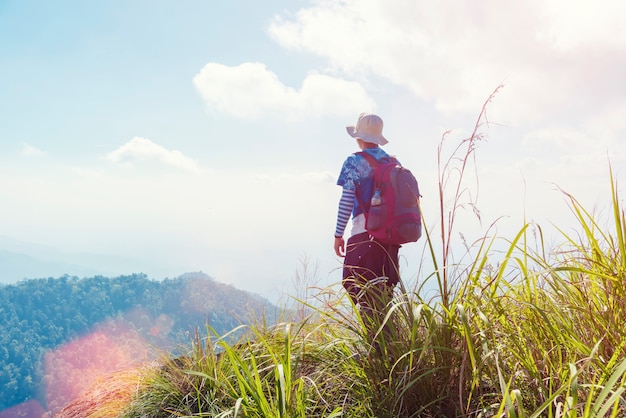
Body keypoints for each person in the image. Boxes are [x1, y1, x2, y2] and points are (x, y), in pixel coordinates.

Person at [334, 112, 402, 345]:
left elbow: (346, 201)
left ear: (359, 137)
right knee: (383, 290)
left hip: (364, 233)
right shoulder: (392, 161)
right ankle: (389, 345)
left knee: (355, 284)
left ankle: (376, 347)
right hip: (391, 237)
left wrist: (338, 234)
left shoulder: (354, 161)